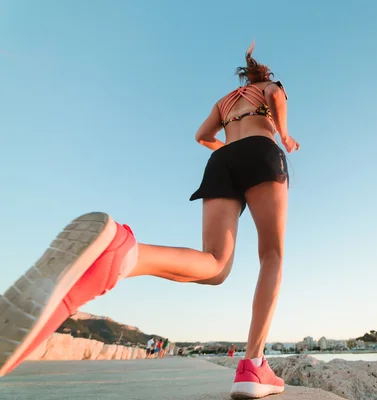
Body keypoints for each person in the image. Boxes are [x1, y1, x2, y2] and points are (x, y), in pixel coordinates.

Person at [0, 42, 298, 399]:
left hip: (222, 163)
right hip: (261, 153)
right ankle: (254, 364)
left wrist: (229, 150)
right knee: (272, 255)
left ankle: (126, 254)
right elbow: (277, 100)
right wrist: (282, 133)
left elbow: (202, 137)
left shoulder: (225, 102)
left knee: (215, 264)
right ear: (264, 76)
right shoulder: (270, 87)